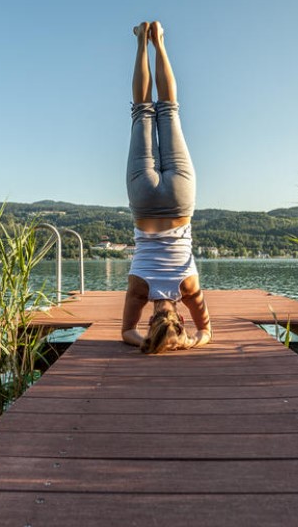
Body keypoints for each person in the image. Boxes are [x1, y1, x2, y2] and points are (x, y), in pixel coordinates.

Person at [121, 21, 212, 354]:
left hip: (179, 201)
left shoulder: (189, 288)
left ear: (180, 320)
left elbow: (207, 332)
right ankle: (140, 43)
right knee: (142, 112)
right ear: (151, 324)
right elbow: (126, 332)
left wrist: (190, 341)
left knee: (169, 111)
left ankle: (157, 40)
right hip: (144, 203)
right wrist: (146, 341)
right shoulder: (138, 289)